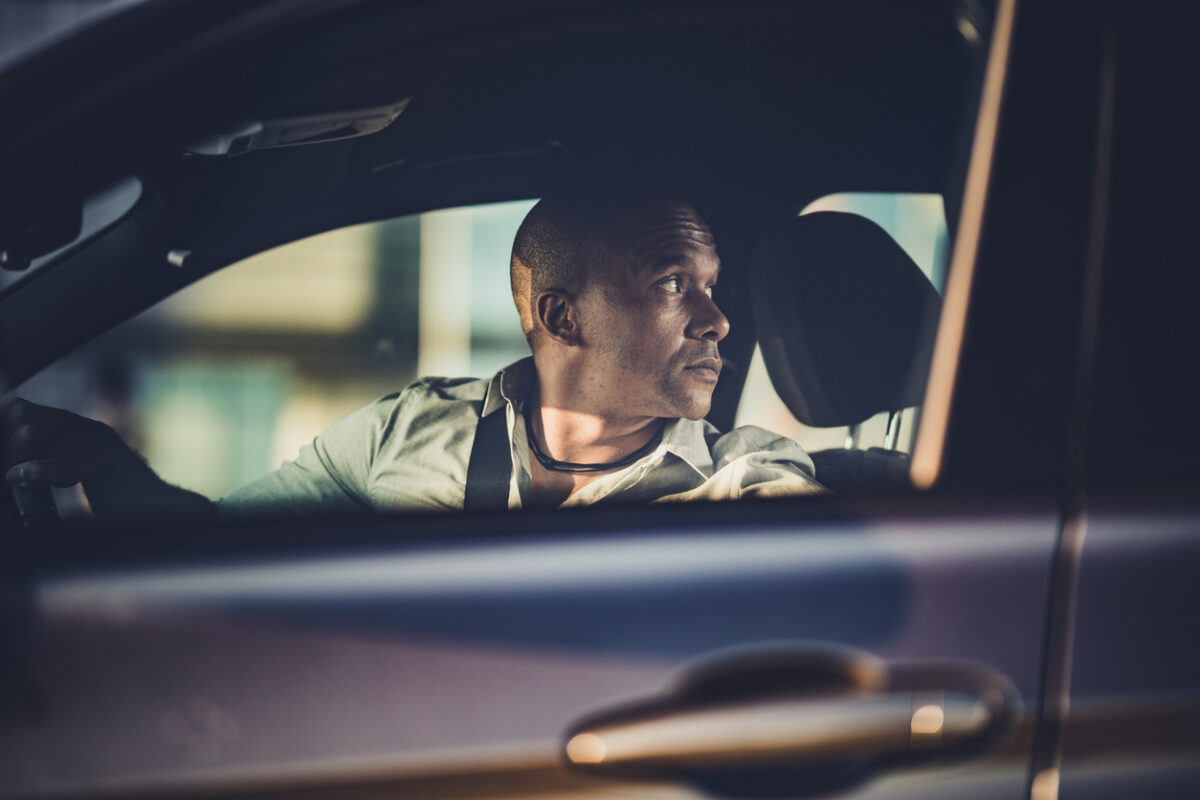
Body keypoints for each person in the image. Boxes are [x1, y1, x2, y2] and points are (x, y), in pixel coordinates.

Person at [0, 186, 822, 518]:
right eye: (677, 284)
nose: (718, 319)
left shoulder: (745, 480)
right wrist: (106, 462)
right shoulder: (408, 431)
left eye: (715, 287)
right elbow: (213, 546)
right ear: (563, 318)